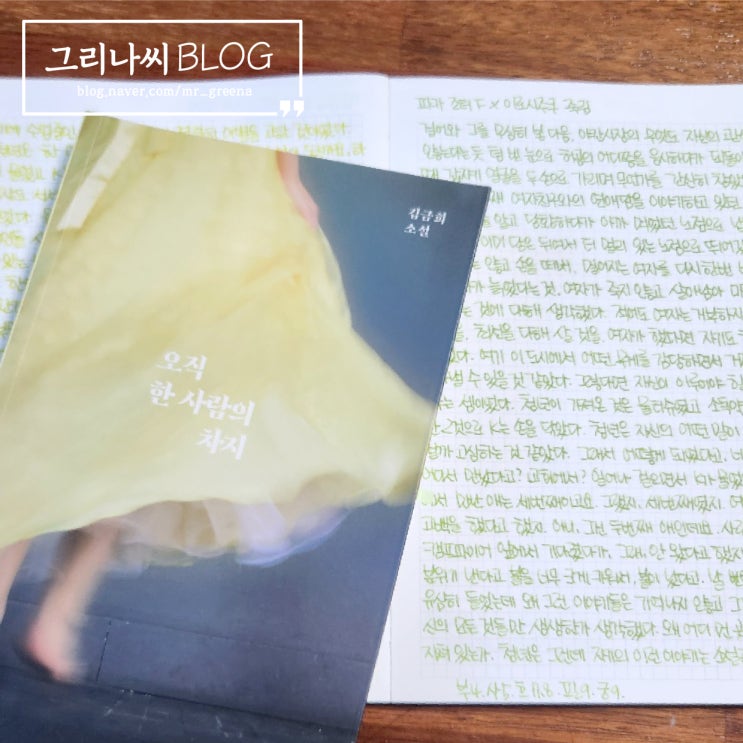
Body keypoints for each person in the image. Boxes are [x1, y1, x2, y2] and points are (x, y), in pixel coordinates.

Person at [0, 119, 433, 683]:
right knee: (79, 382)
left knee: (146, 412)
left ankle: (58, 615)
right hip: (174, 174)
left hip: (214, 182)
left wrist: (287, 173)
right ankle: (41, 608)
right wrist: (287, 173)